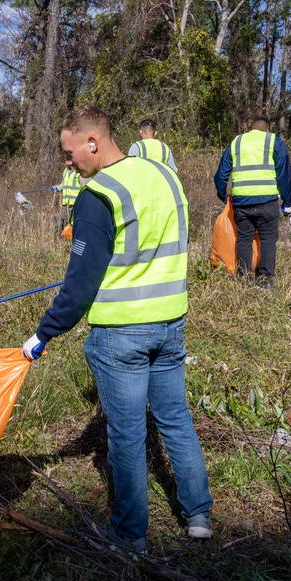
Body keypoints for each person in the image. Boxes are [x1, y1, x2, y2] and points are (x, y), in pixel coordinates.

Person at [21, 104, 213, 556]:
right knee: (175, 418)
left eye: (70, 154)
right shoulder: (164, 175)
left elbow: (80, 285)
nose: (68, 164)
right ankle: (199, 515)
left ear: (92, 141)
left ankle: (129, 537)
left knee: (126, 434)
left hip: (121, 335)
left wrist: (44, 333)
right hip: (170, 323)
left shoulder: (97, 196)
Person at [213, 115, 291, 288]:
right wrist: (288, 202)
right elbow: (284, 174)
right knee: (268, 239)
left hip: (241, 202)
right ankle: (265, 280)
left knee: (244, 238)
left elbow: (221, 174)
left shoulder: (236, 142)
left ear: (250, 129)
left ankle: (243, 278)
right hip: (267, 202)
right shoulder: (274, 142)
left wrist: (222, 194)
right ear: (268, 129)